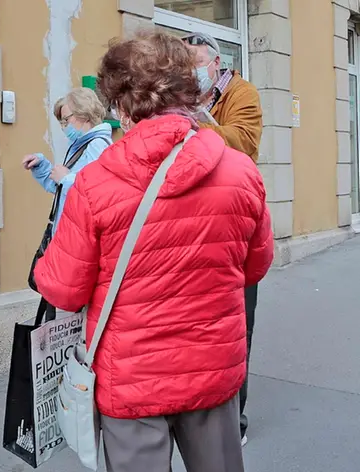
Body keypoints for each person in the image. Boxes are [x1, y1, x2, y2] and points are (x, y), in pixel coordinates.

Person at [33, 31, 274, 472]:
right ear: (189, 89)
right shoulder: (241, 172)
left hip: (131, 377)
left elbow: (64, 291)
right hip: (212, 365)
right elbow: (255, 265)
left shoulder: (96, 182)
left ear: (121, 106)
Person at [183, 31, 264, 446]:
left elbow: (245, 142)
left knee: (237, 325)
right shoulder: (183, 93)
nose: (192, 71)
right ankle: (198, 404)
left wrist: (198, 126)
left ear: (215, 62)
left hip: (233, 227)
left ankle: (237, 417)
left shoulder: (241, 93)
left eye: (197, 61)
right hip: (194, 225)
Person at [21, 87, 112, 231]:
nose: (64, 127)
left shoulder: (97, 145)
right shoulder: (80, 145)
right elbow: (60, 188)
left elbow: (100, 193)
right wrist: (41, 166)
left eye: (66, 120)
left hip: (81, 237)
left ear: (84, 113)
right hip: (71, 235)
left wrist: (66, 178)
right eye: (61, 122)